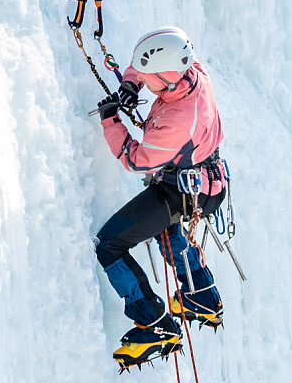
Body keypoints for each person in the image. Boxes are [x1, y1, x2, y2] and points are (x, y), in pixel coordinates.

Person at [93, 26, 228, 368]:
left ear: (165, 79)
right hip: (204, 183)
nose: (145, 81)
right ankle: (201, 296)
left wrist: (111, 120)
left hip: (181, 193)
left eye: (149, 79)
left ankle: (154, 324)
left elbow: (135, 158)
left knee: (110, 244)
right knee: (164, 230)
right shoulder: (191, 71)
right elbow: (146, 65)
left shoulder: (180, 121)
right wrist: (129, 85)